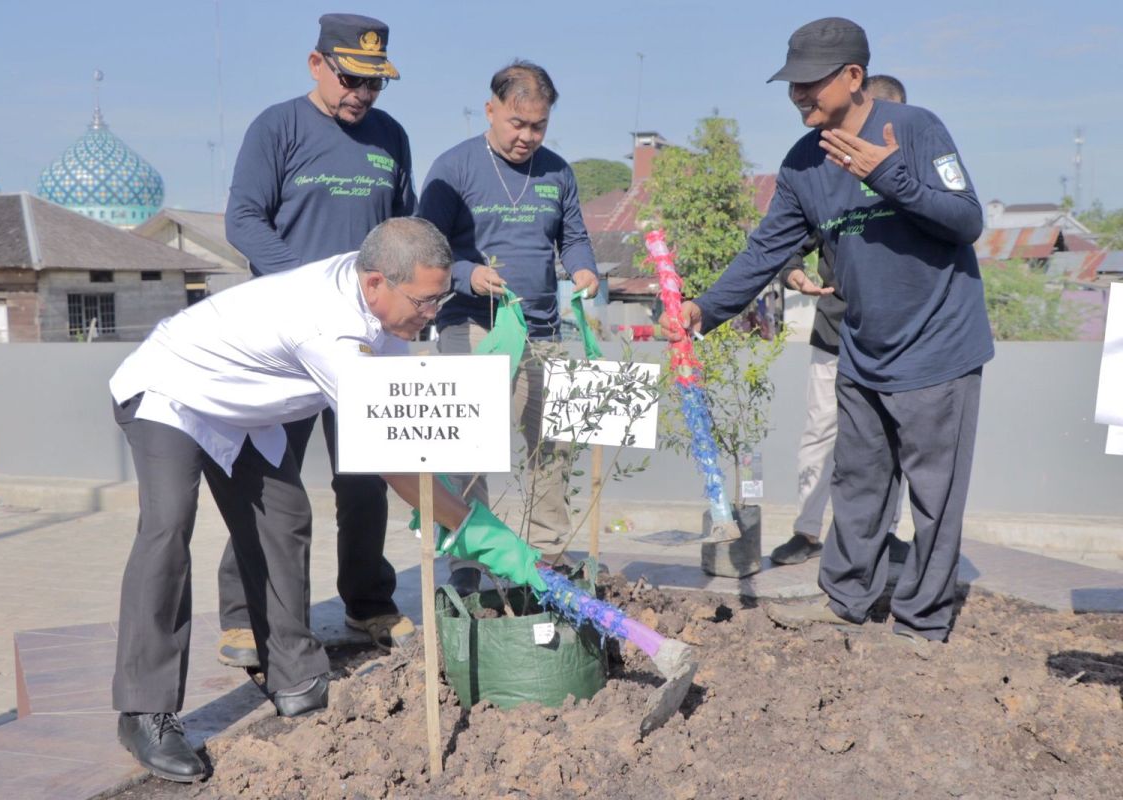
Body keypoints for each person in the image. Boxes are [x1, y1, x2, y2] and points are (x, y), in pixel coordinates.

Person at [110, 218, 500, 782]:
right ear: (375, 284)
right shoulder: (330, 328)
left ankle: (294, 676)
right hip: (172, 391)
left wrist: (455, 505)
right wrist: (474, 530)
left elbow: (406, 422)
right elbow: (389, 456)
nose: (433, 312)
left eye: (440, 297)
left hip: (241, 406)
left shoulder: (383, 297)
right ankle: (145, 711)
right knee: (168, 525)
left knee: (285, 517)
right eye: (425, 300)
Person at [660, 18, 993, 653]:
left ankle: (923, 622)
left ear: (853, 77)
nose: (798, 97)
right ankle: (846, 598)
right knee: (858, 481)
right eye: (791, 86)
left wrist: (890, 175)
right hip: (863, 347)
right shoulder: (802, 163)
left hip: (939, 347)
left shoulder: (917, 129)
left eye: (810, 85)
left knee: (933, 496)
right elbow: (767, 252)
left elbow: (966, 220)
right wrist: (706, 309)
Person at [220, 12, 416, 665]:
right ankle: (246, 612)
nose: (361, 94)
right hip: (286, 334)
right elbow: (242, 219)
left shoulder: (391, 137)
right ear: (316, 64)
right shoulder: (277, 128)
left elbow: (399, 232)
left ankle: (367, 601)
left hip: (364, 340)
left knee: (365, 477)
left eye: (374, 83)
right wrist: (309, 286)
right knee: (266, 473)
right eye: (350, 79)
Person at [417, 60, 599, 594]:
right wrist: (467, 274)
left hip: (544, 329)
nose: (527, 137)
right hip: (474, 327)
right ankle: (470, 559)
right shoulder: (453, 169)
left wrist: (583, 266)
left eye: (538, 126)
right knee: (469, 446)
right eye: (517, 123)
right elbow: (426, 253)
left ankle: (547, 553)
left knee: (554, 443)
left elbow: (574, 238)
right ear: (491, 110)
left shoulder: (558, 172)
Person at [770, 74, 911, 567]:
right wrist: (792, 272)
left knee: (891, 440)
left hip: (899, 339)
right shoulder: (824, 177)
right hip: (834, 329)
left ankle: (886, 533)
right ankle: (807, 532)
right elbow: (787, 240)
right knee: (821, 431)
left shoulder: (911, 180)